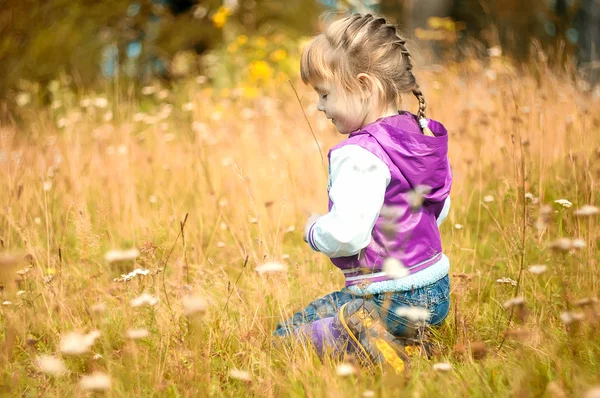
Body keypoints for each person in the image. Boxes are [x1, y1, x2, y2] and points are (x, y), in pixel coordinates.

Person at [273, 13, 452, 373]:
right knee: (331, 312)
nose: (320, 107)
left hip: (388, 298)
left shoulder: (359, 154)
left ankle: (372, 338)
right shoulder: (415, 134)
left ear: (365, 85)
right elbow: (439, 209)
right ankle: (410, 342)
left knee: (287, 336)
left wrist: (313, 230)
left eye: (325, 94)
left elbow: (347, 235)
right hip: (437, 292)